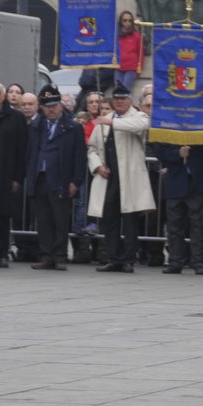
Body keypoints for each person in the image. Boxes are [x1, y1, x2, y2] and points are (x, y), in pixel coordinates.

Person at [85, 85, 154, 274]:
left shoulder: (138, 116)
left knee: (130, 219)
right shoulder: (104, 120)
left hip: (129, 177)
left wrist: (112, 123)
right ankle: (113, 257)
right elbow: (92, 148)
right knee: (109, 219)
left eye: (123, 99)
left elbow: (140, 126)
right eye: (116, 99)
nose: (120, 102)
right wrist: (97, 165)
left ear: (130, 100)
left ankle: (128, 259)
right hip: (109, 176)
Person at [23, 87, 85, 270]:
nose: (51, 109)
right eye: (47, 106)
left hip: (61, 179)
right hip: (40, 177)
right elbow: (30, 152)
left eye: (54, 105)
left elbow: (79, 157)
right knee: (43, 220)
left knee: (59, 219)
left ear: (60, 106)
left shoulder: (72, 127)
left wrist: (76, 181)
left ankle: (60, 256)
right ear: (41, 107)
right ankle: (46, 255)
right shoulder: (37, 126)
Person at [154, 137, 203, 275]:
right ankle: (175, 261)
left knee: (197, 224)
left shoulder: (202, 121)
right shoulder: (169, 124)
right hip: (175, 181)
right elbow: (159, 150)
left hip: (197, 182)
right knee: (174, 225)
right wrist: (178, 154)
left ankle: (199, 261)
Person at [0, 81, 28, 267]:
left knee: (4, 215)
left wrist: (17, 177)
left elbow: (22, 151)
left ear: (3, 96)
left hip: (4, 174)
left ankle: (2, 253)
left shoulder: (15, 118)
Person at [115, 10, 143, 94]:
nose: (127, 23)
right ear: (120, 22)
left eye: (130, 21)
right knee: (117, 89)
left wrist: (139, 68)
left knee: (125, 90)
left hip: (131, 68)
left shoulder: (137, 35)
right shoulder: (116, 35)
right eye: (125, 20)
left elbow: (141, 53)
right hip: (118, 67)